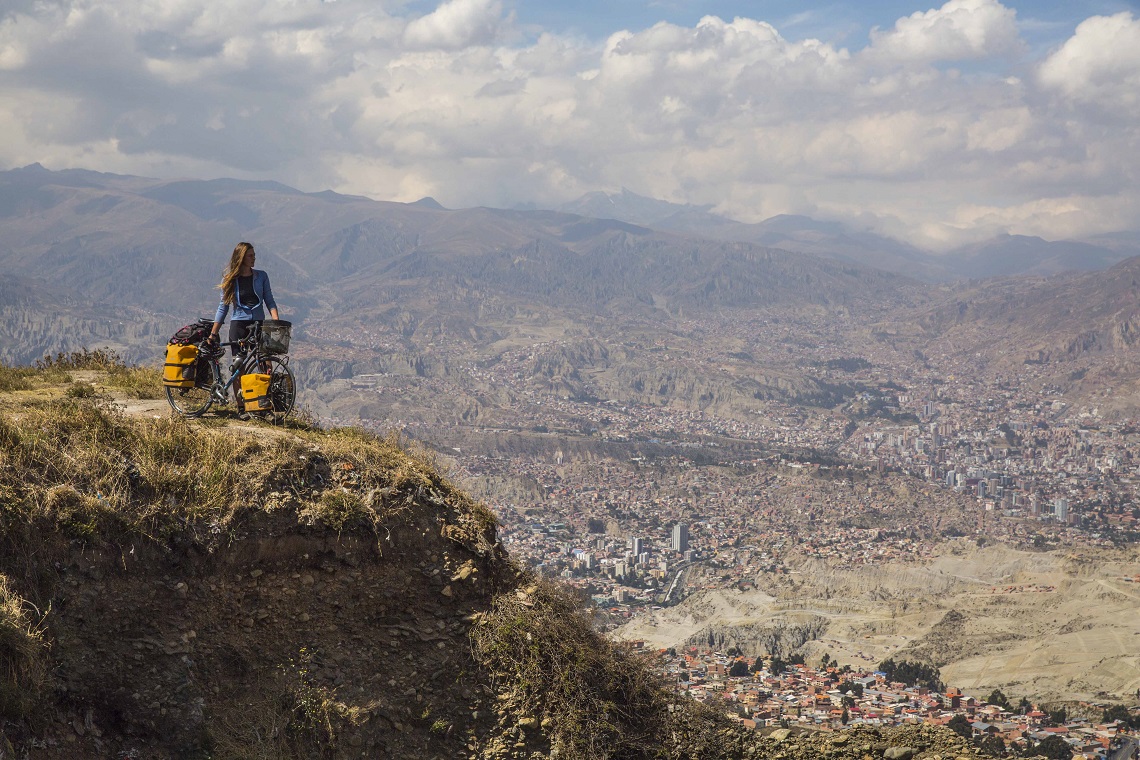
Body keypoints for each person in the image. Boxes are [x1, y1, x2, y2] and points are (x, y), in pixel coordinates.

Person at [209, 242, 279, 410]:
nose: (254, 258)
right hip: (239, 325)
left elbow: (269, 300)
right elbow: (223, 307)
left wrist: (276, 321)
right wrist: (213, 333)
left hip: (259, 324)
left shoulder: (261, 276)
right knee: (239, 367)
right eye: (250, 255)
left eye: (254, 255)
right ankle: (241, 407)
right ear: (241, 258)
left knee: (266, 364)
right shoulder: (230, 280)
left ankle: (264, 405)